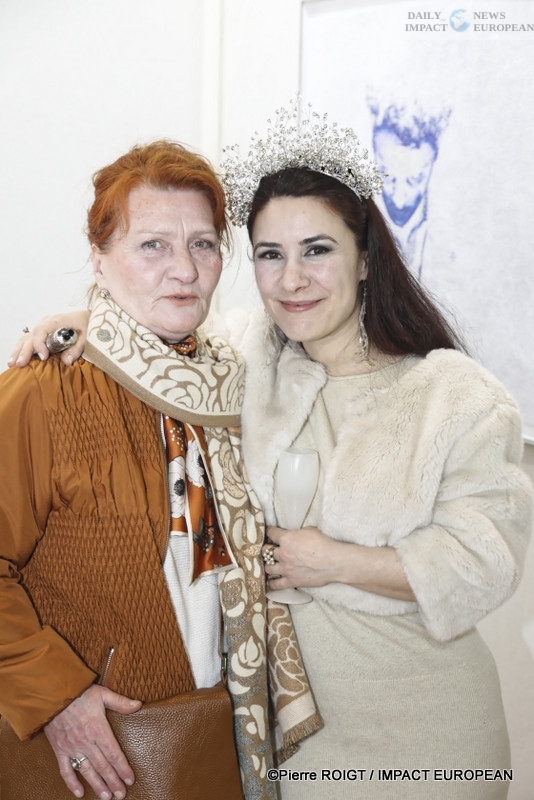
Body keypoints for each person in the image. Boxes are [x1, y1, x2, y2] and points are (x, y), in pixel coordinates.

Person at [11, 105, 533, 799]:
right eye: (269, 254)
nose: (292, 280)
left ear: (366, 258)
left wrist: (335, 561)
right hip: (289, 742)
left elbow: (485, 562)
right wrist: (89, 320)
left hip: (423, 721)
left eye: (317, 250)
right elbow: (162, 334)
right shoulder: (247, 361)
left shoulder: (455, 396)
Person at [0, 139, 320, 800]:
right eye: (152, 246)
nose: (184, 270)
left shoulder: (233, 385)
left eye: (203, 244)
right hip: (100, 755)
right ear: (99, 258)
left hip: (217, 740)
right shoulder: (43, 391)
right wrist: (56, 695)